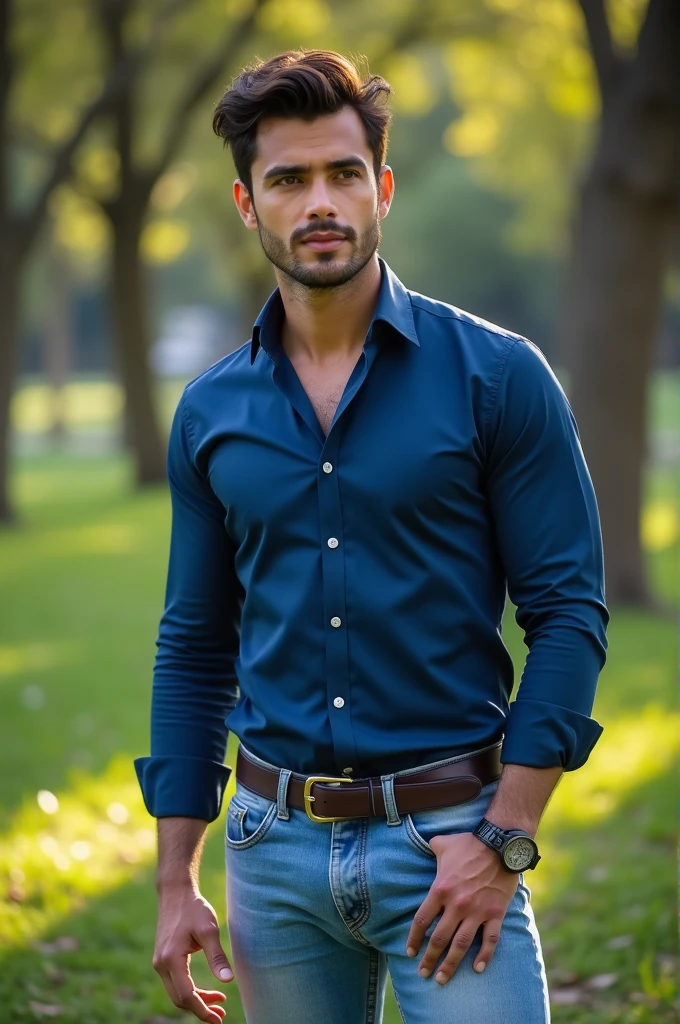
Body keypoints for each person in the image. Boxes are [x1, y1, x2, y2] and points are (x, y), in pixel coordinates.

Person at [134, 49, 609, 1024]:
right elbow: (193, 644)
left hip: (451, 838)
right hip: (271, 857)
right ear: (245, 202)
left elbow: (565, 614)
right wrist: (175, 875)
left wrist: (503, 837)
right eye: (288, 178)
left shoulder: (498, 378)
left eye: (343, 173)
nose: (320, 201)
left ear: (380, 187)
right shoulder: (210, 411)